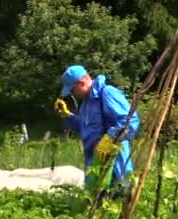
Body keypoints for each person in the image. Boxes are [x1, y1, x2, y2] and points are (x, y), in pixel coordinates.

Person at [54, 65, 139, 196]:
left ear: (81, 83)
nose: (73, 94)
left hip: (115, 164)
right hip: (95, 164)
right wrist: (68, 116)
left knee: (116, 203)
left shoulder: (107, 93)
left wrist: (110, 138)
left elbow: (130, 121)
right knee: (94, 203)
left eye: (72, 90)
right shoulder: (87, 103)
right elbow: (86, 129)